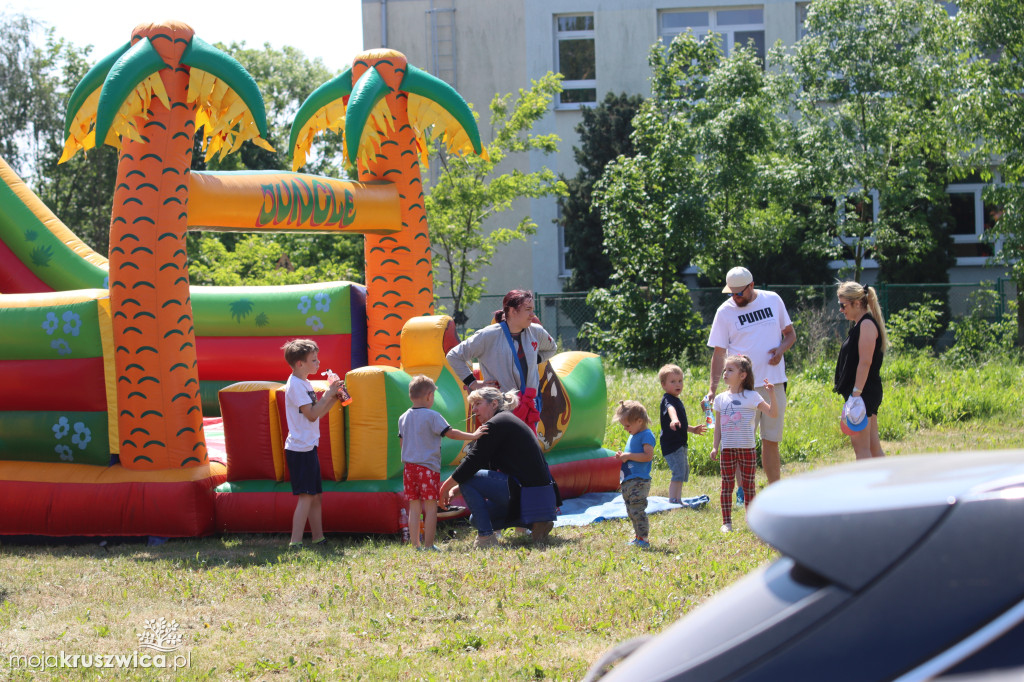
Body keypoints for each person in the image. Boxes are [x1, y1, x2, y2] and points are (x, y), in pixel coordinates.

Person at [438, 387, 560, 548]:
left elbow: (473, 462)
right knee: (476, 519)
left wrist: (445, 488)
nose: (474, 410)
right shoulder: (505, 420)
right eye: (472, 405)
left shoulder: (496, 423)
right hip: (537, 495)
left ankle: (486, 538)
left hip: (525, 491)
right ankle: (537, 523)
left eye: (478, 404)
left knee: (468, 481)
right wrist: (457, 489)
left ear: (494, 404)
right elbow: (482, 464)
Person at [706, 267, 795, 488]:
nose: (735, 298)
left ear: (752, 286)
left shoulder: (773, 300)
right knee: (739, 444)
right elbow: (718, 354)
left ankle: (775, 489)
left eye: (739, 293)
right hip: (741, 389)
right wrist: (712, 389)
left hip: (772, 384)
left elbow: (790, 334)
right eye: (731, 294)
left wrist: (781, 349)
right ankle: (744, 492)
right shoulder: (724, 312)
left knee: (771, 440)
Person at [446, 289, 557, 431]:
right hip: (501, 406)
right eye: (528, 309)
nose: (532, 314)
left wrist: (534, 359)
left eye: (532, 309)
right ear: (512, 311)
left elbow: (552, 348)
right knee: (507, 449)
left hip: (530, 404)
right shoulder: (488, 335)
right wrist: (473, 383)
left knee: (526, 449)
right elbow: (454, 355)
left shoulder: (536, 331)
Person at [399, 375, 488, 551]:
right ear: (429, 396)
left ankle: (415, 545)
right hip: (427, 468)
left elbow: (403, 442)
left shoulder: (403, 417)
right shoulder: (433, 416)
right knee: (431, 507)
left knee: (414, 508)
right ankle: (429, 545)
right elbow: (451, 433)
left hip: (409, 468)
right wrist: (474, 435)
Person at [281, 338, 343, 548]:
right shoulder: (296, 385)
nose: (318, 363)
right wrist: (328, 394)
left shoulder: (304, 383)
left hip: (307, 446)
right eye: (313, 360)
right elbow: (311, 414)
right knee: (306, 496)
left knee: (316, 496)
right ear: (300, 363)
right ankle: (295, 542)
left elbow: (316, 414)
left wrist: (333, 398)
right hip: (299, 449)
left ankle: (318, 537)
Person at [711, 355, 777, 533]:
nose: (725, 373)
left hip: (747, 448)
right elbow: (718, 427)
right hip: (727, 450)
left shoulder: (752, 396)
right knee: (727, 485)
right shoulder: (720, 399)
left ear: (743, 375)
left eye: (730, 370)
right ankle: (727, 522)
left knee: (749, 486)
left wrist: (771, 393)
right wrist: (715, 446)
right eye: (725, 370)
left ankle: (752, 521)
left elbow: (772, 413)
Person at [833, 281, 888, 460]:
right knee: (872, 448)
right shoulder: (860, 325)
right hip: (863, 393)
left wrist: (856, 396)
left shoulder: (866, 325)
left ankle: (865, 487)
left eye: (843, 305)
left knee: (862, 450)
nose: (841, 309)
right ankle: (887, 486)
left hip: (862, 394)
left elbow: (865, 362)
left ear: (857, 303)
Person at [658, 364, 707, 505]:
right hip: (672, 445)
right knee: (678, 473)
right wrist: (674, 419)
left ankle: (677, 499)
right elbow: (671, 410)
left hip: (680, 443)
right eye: (672, 381)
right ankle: (673, 500)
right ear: (664, 385)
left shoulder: (677, 399)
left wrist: (692, 429)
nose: (677, 384)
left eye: (680, 381)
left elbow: (681, 425)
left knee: (683, 473)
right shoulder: (668, 399)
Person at [613, 400, 656, 549]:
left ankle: (643, 538)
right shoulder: (634, 434)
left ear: (639, 421)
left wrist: (629, 455)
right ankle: (638, 537)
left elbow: (647, 456)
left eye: (627, 425)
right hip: (629, 480)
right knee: (631, 510)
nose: (625, 429)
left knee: (638, 509)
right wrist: (623, 456)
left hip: (639, 480)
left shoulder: (646, 435)